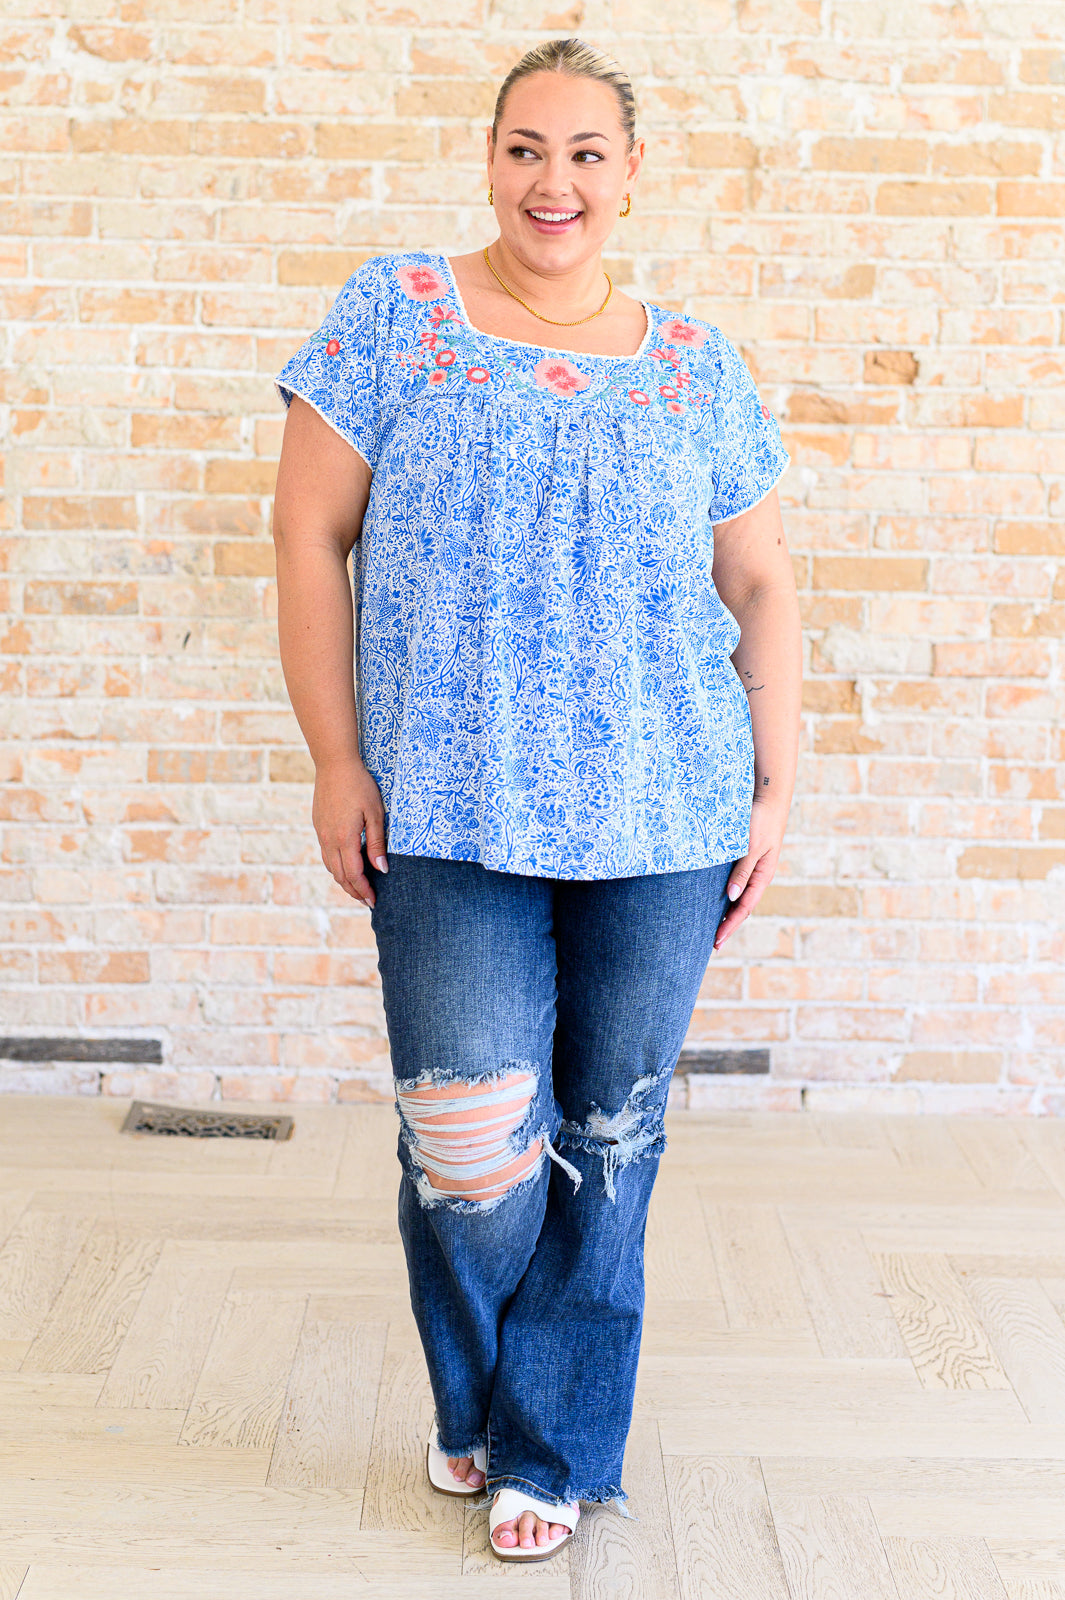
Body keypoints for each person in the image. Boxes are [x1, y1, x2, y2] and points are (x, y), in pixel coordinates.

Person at [271, 36, 801, 1564]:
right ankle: (486, 1391)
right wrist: (333, 755)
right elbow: (310, 538)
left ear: (630, 176)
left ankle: (548, 1445)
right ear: (487, 160)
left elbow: (758, 578)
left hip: (665, 808)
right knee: (471, 1146)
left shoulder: (696, 363)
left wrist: (773, 782)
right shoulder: (394, 314)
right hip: (446, 806)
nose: (549, 181)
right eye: (522, 148)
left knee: (610, 1132)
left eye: (581, 153)